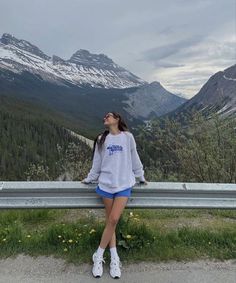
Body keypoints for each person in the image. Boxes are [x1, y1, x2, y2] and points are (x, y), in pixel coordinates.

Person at [81, 111, 148, 279]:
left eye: (109, 115)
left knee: (113, 220)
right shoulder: (101, 139)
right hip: (105, 185)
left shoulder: (128, 137)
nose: (105, 117)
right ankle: (114, 259)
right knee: (110, 222)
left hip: (123, 184)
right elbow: (96, 163)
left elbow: (134, 158)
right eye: (104, 116)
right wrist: (90, 179)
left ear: (117, 119)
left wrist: (140, 176)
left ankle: (98, 255)